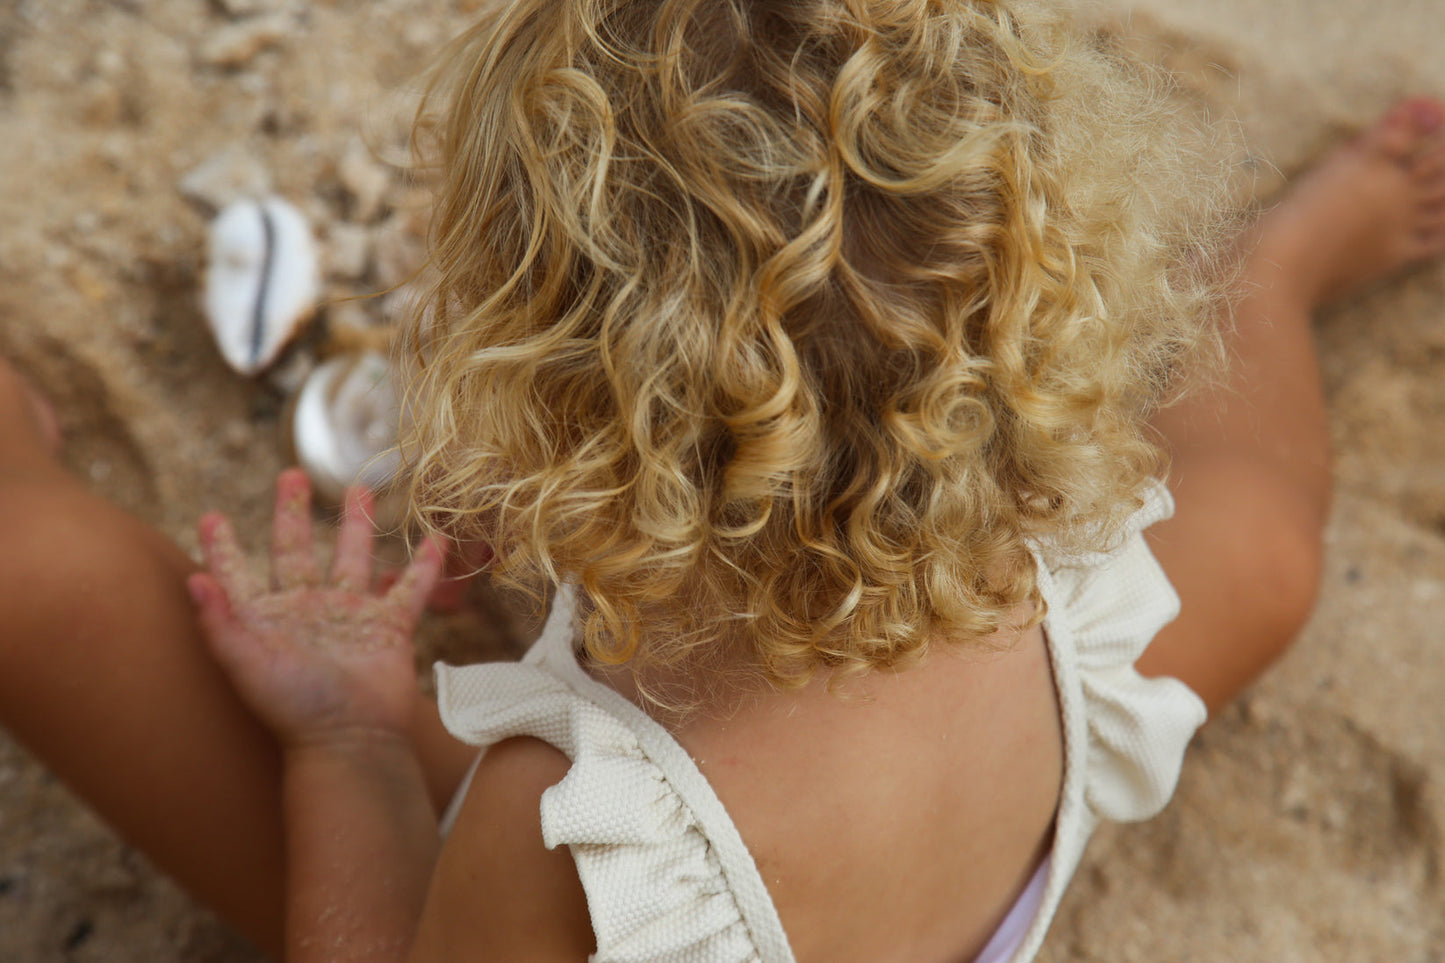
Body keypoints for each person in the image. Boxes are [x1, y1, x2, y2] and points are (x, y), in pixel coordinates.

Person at [4, 0, 1445, 959]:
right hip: (894, 872)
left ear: (561, 448)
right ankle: (1271, 273)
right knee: (1256, 542)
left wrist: (351, 750)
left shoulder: (563, 837)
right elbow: (1258, 504)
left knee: (35, 581)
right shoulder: (1070, 581)